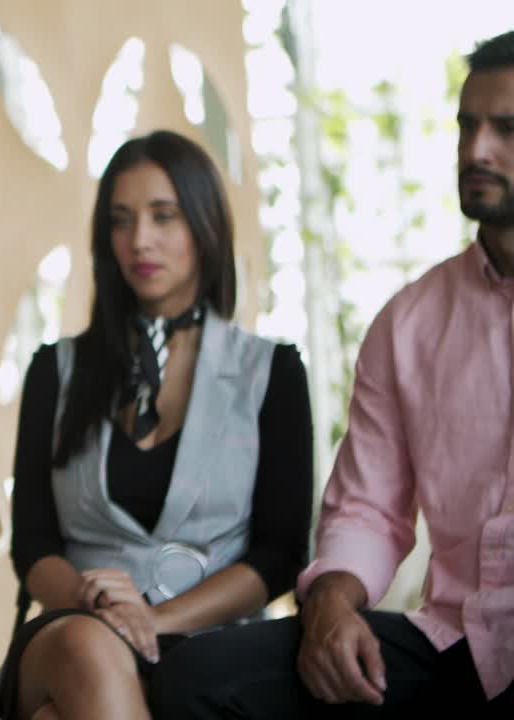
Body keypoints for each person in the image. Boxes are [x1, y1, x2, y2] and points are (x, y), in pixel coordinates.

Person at [150, 30, 514, 719]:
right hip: (455, 642)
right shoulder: (409, 323)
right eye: (467, 126)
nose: (476, 151)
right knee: (198, 677)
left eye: (506, 129)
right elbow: (368, 508)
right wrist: (331, 607)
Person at [0, 129, 315, 720]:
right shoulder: (54, 371)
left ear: (204, 224)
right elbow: (34, 546)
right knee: (89, 651)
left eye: (162, 216)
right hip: (76, 629)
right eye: (121, 221)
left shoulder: (271, 372)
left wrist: (156, 620)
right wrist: (95, 602)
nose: (139, 240)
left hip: (216, 639)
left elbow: (279, 553)